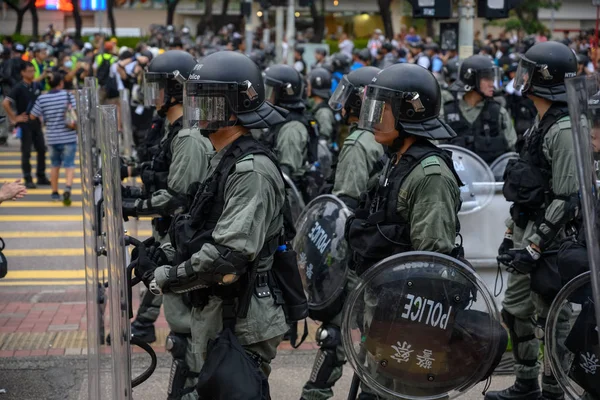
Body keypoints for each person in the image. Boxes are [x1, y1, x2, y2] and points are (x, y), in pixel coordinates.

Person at [143, 50, 292, 397]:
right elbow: (198, 225)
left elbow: (228, 253)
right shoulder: (222, 157)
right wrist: (163, 253)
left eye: (206, 100)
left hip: (242, 317)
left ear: (234, 106)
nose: (196, 109)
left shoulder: (251, 170)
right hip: (220, 310)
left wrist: (162, 278)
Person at [342, 62, 463, 399]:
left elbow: (432, 260)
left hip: (407, 320)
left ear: (409, 112)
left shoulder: (430, 175)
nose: (374, 117)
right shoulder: (396, 160)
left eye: (383, 109)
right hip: (382, 307)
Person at [486, 41, 579, 400]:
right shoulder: (541, 123)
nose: (520, 78)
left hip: (553, 242)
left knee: (551, 319)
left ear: (543, 79)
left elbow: (567, 198)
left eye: (527, 71)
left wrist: (535, 246)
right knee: (515, 310)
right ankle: (526, 383)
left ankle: (554, 389)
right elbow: (528, 188)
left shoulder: (565, 129)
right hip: (529, 234)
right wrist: (512, 238)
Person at [122, 50, 213, 400]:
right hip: (175, 236)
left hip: (186, 241)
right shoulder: (175, 131)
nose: (153, 95)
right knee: (180, 332)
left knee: (185, 335)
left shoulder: (188, 136)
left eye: (158, 87)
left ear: (176, 90)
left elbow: (178, 196)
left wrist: (134, 203)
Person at [442, 54, 517, 164]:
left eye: (492, 78)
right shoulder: (446, 113)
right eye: (487, 78)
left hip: (491, 179)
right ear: (472, 79)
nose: (492, 84)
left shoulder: (499, 113)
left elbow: (512, 155)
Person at [329, 66, 384, 210]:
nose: (342, 103)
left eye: (346, 96)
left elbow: (346, 203)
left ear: (357, 103)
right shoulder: (384, 133)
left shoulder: (357, 144)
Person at [29, 73, 77, 204]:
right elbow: (76, 111)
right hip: (69, 136)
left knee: (55, 165)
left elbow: (33, 115)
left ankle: (54, 193)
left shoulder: (42, 98)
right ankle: (67, 187)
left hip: (52, 137)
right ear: (61, 83)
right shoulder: (67, 95)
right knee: (69, 164)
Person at [2, 62, 49, 189]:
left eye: (33, 71)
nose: (32, 73)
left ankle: (41, 175)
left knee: (41, 149)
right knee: (26, 151)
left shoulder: (36, 85)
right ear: (22, 72)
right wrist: (14, 118)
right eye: (29, 71)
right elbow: (6, 103)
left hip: (36, 122)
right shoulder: (18, 87)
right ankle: (28, 177)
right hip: (25, 123)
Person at [307, 67, 336, 145]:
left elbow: (323, 143)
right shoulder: (316, 106)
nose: (307, 87)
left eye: (309, 84)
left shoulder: (324, 113)